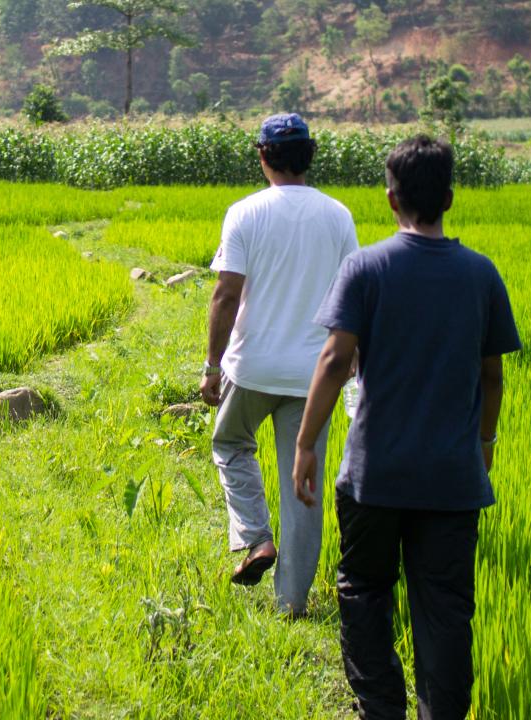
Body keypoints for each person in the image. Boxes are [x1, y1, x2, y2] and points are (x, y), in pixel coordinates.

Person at [291, 135, 521, 719]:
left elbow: (335, 360)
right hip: (452, 479)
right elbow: (490, 376)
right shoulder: (481, 274)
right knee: (445, 606)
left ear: (390, 199)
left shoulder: (366, 268)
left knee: (365, 592)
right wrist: (485, 443)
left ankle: (380, 709)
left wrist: (304, 444)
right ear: (449, 197)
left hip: (375, 475)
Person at [201, 113, 357, 617]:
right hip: (315, 375)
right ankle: (291, 602)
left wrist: (211, 364)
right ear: (310, 155)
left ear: (263, 155)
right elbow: (353, 298)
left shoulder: (244, 213)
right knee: (303, 480)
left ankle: (255, 538)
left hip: (253, 367)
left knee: (229, 443)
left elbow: (226, 295)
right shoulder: (338, 216)